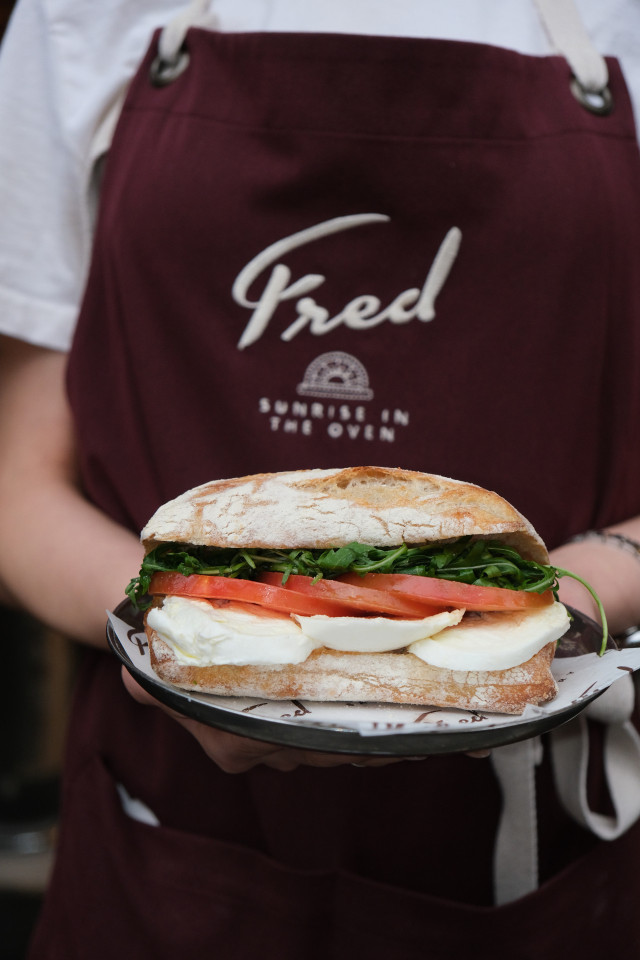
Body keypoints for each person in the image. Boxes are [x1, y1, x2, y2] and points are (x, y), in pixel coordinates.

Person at [1, 0, 640, 956]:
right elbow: (18, 485)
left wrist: (561, 615)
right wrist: (178, 641)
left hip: (537, 843)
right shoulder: (80, 13)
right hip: (165, 832)